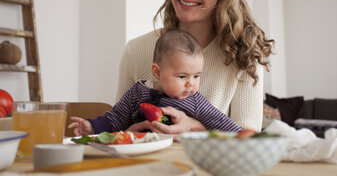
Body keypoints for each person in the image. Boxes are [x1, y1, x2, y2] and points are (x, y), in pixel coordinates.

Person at [116, 0, 274, 133]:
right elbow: (116, 128)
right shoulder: (136, 51)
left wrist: (192, 127)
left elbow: (247, 140)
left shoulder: (245, 54)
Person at [69, 30, 242, 136]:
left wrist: (244, 137)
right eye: (182, 76)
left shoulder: (195, 100)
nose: (191, 84)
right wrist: (91, 126)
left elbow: (222, 123)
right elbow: (116, 118)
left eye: (196, 76)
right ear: (157, 72)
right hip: (138, 158)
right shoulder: (137, 92)